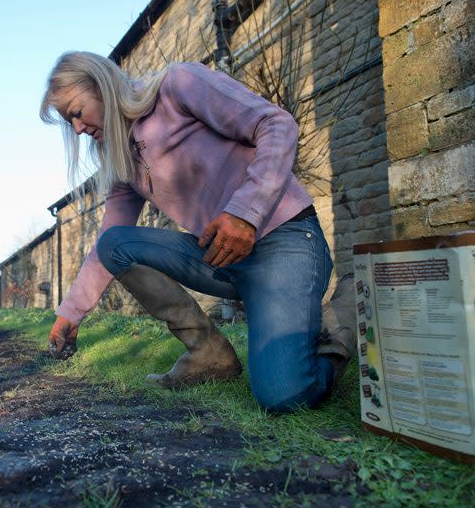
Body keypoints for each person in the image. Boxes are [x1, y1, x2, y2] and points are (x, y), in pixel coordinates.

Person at [39, 51, 355, 413]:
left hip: (286, 241)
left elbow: (277, 124)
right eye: (69, 122)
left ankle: (344, 314)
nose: (77, 129)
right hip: (223, 258)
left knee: (284, 395)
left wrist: (245, 214)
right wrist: (70, 313)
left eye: (77, 112)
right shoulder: (122, 158)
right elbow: (105, 247)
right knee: (116, 244)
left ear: (101, 86)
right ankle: (208, 353)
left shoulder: (178, 85)